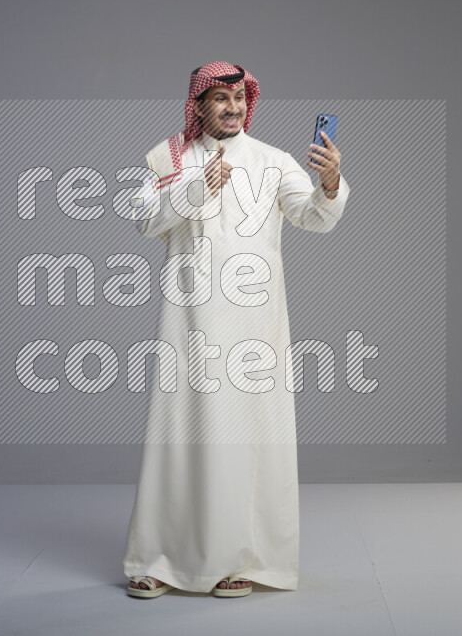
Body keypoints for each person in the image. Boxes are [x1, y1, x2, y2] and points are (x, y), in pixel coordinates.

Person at [123, 61, 350, 598]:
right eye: (220, 99)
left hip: (254, 328)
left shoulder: (274, 161)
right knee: (180, 437)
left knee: (248, 441)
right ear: (198, 105)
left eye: (239, 98)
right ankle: (159, 558)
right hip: (189, 323)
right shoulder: (169, 158)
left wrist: (331, 181)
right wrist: (197, 189)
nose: (232, 108)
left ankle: (239, 561)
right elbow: (142, 218)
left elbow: (314, 217)